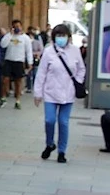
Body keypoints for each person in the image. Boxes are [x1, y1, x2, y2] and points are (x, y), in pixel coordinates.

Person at [33, 24, 87, 164]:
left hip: (68, 92)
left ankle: (62, 151)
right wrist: (37, 93)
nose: (61, 38)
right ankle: (50, 143)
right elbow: (41, 73)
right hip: (51, 92)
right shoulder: (49, 52)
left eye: (63, 35)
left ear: (69, 37)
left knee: (63, 122)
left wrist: (78, 82)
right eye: (58, 36)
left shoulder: (75, 51)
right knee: (49, 120)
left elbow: (81, 69)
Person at [0, 20, 35, 109]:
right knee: (5, 80)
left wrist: (30, 62)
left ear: (21, 27)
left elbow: (29, 51)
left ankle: (18, 100)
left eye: (18, 26)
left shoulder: (25, 38)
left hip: (19, 61)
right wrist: (9, 34)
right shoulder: (9, 36)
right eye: (15, 26)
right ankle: (3, 97)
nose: (17, 28)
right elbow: (3, 45)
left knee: (18, 82)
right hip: (8, 60)